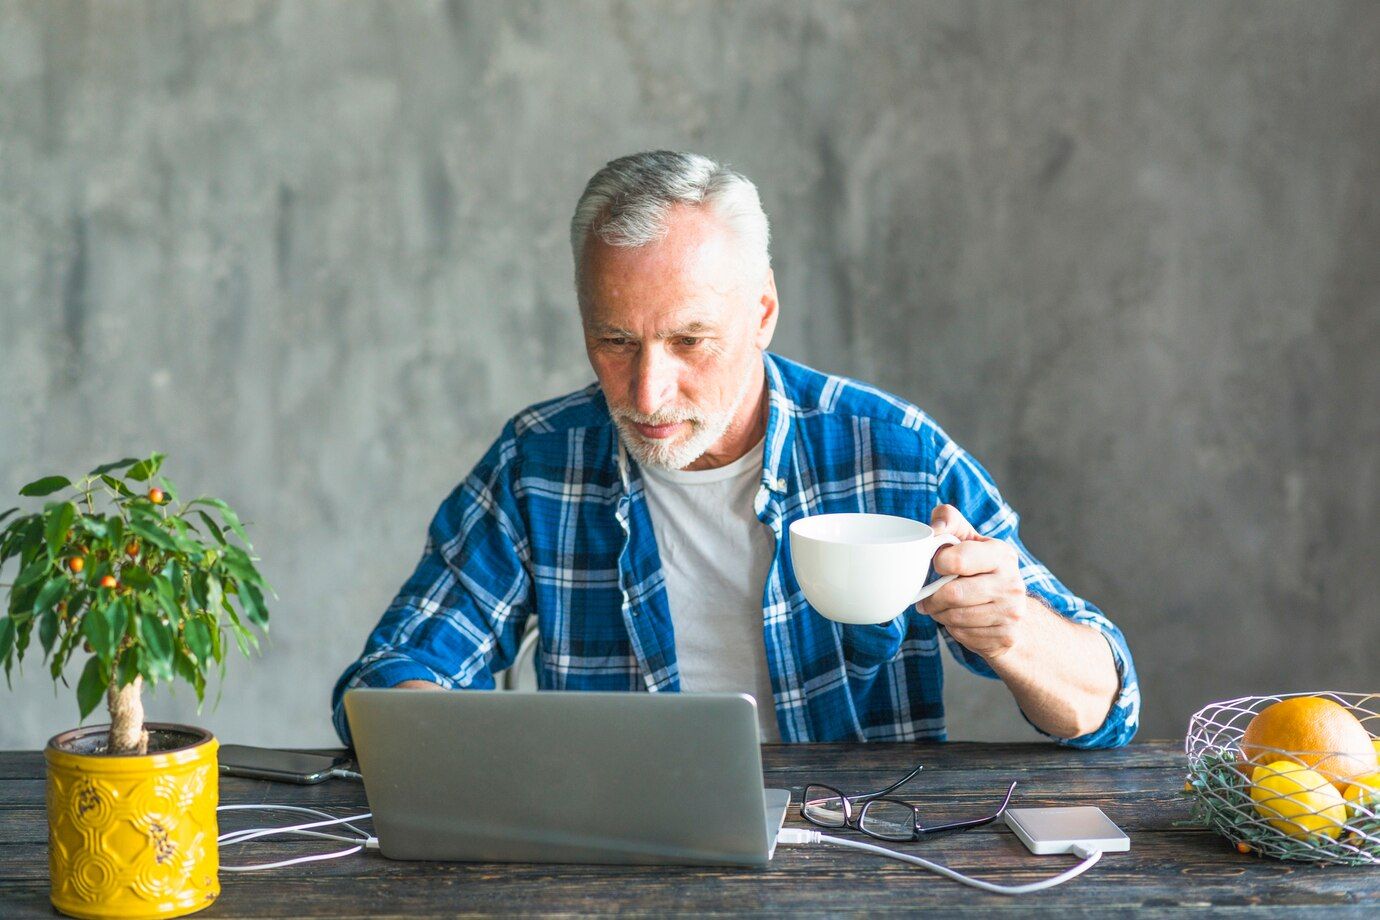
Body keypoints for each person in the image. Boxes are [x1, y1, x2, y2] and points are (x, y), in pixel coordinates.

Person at [332, 150, 1139, 747]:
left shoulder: (891, 452)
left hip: (856, 869)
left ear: (762, 314)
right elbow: (385, 681)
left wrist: (1012, 631)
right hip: (613, 870)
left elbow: (1112, 705)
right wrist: (432, 717)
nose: (647, 395)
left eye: (690, 340)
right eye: (614, 340)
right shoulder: (540, 462)